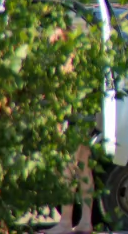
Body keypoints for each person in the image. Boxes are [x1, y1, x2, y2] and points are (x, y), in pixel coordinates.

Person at [43, 27, 95, 234]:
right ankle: (85, 222)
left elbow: (64, 97)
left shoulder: (68, 61)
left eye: (53, 37)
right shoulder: (82, 57)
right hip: (87, 118)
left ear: (62, 36)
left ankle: (65, 222)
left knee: (68, 169)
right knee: (83, 168)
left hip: (74, 119)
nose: (50, 41)